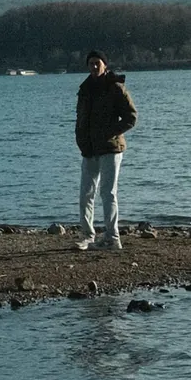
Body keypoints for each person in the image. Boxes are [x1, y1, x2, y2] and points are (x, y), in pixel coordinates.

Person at [74, 48, 137, 251]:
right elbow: (81, 118)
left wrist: (111, 133)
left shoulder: (115, 88)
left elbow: (131, 117)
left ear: (105, 65)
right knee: (85, 193)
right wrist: (81, 139)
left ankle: (112, 237)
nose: (93, 67)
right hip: (89, 149)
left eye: (97, 63)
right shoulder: (84, 89)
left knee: (108, 193)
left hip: (111, 148)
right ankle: (88, 235)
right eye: (91, 63)